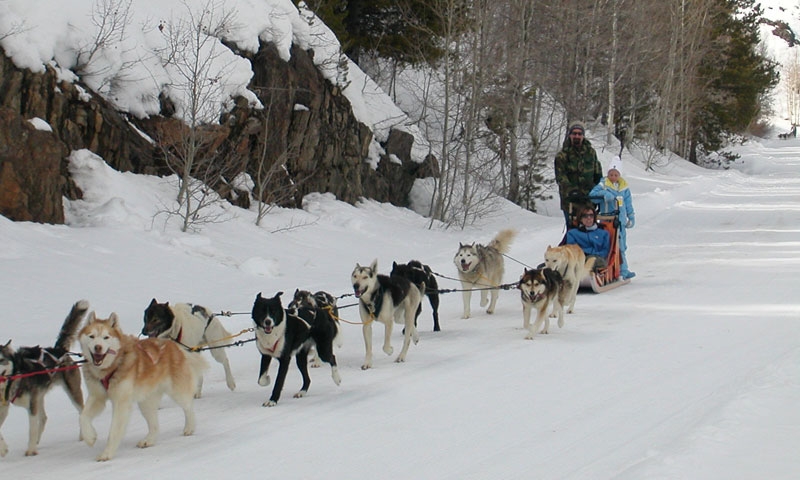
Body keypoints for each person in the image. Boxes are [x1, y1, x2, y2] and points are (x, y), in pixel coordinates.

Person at [590, 157, 636, 279]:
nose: (613, 177)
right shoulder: (603, 184)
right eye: (611, 174)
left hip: (620, 221)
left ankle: (623, 269)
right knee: (609, 245)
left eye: (616, 174)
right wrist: (604, 194)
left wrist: (631, 216)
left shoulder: (624, 187)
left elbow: (628, 203)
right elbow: (592, 195)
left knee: (621, 245)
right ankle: (609, 269)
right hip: (607, 220)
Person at [554, 121, 603, 227]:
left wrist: (599, 192)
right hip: (571, 201)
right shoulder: (562, 155)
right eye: (574, 133)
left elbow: (598, 174)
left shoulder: (591, 153)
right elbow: (560, 177)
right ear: (570, 135)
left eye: (579, 134)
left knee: (590, 229)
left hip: (589, 200)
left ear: (583, 136)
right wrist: (572, 191)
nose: (577, 136)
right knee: (573, 229)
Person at [566, 206, 609, 270]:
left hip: (597, 258)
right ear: (580, 218)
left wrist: (594, 254)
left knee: (594, 261)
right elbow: (572, 249)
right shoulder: (572, 233)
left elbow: (605, 250)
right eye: (585, 216)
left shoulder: (603, 233)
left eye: (591, 215)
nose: (589, 218)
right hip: (579, 258)